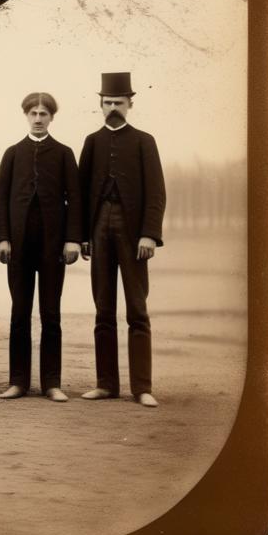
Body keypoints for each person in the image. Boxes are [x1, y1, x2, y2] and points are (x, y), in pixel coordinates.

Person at [78, 72, 166, 407]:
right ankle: (106, 384)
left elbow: (156, 193)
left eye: (119, 102)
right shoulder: (92, 141)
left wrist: (149, 234)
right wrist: (84, 236)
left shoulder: (145, 141)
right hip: (99, 229)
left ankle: (142, 387)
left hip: (133, 234)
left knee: (137, 309)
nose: (113, 107)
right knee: (103, 309)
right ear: (100, 105)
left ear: (130, 104)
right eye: (108, 102)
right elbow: (81, 194)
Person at [0, 92, 81, 402]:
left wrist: (72, 239)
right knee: (19, 312)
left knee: (51, 312)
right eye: (33, 113)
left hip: (53, 245)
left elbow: (76, 200)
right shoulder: (13, 153)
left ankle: (51, 382)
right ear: (26, 116)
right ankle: (18, 381)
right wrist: (2, 238)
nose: (39, 118)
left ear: (52, 117)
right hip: (18, 246)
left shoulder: (64, 153)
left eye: (44, 113)